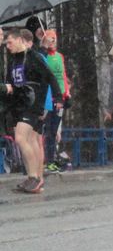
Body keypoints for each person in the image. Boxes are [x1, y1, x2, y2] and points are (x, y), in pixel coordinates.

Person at [2, 28, 56, 193]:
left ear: (20, 40)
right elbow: (15, 83)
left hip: (34, 104)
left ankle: (35, 177)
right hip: (21, 104)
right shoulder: (13, 60)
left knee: (23, 139)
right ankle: (34, 178)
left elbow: (49, 78)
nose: (7, 46)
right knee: (30, 140)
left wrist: (56, 100)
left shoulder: (33, 57)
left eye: (9, 42)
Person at [39, 29, 70, 173]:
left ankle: (54, 159)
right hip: (49, 97)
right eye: (50, 39)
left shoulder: (60, 56)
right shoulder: (42, 55)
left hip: (60, 97)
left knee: (55, 131)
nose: (53, 41)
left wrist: (66, 93)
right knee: (49, 132)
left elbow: (62, 75)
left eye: (54, 39)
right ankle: (48, 160)